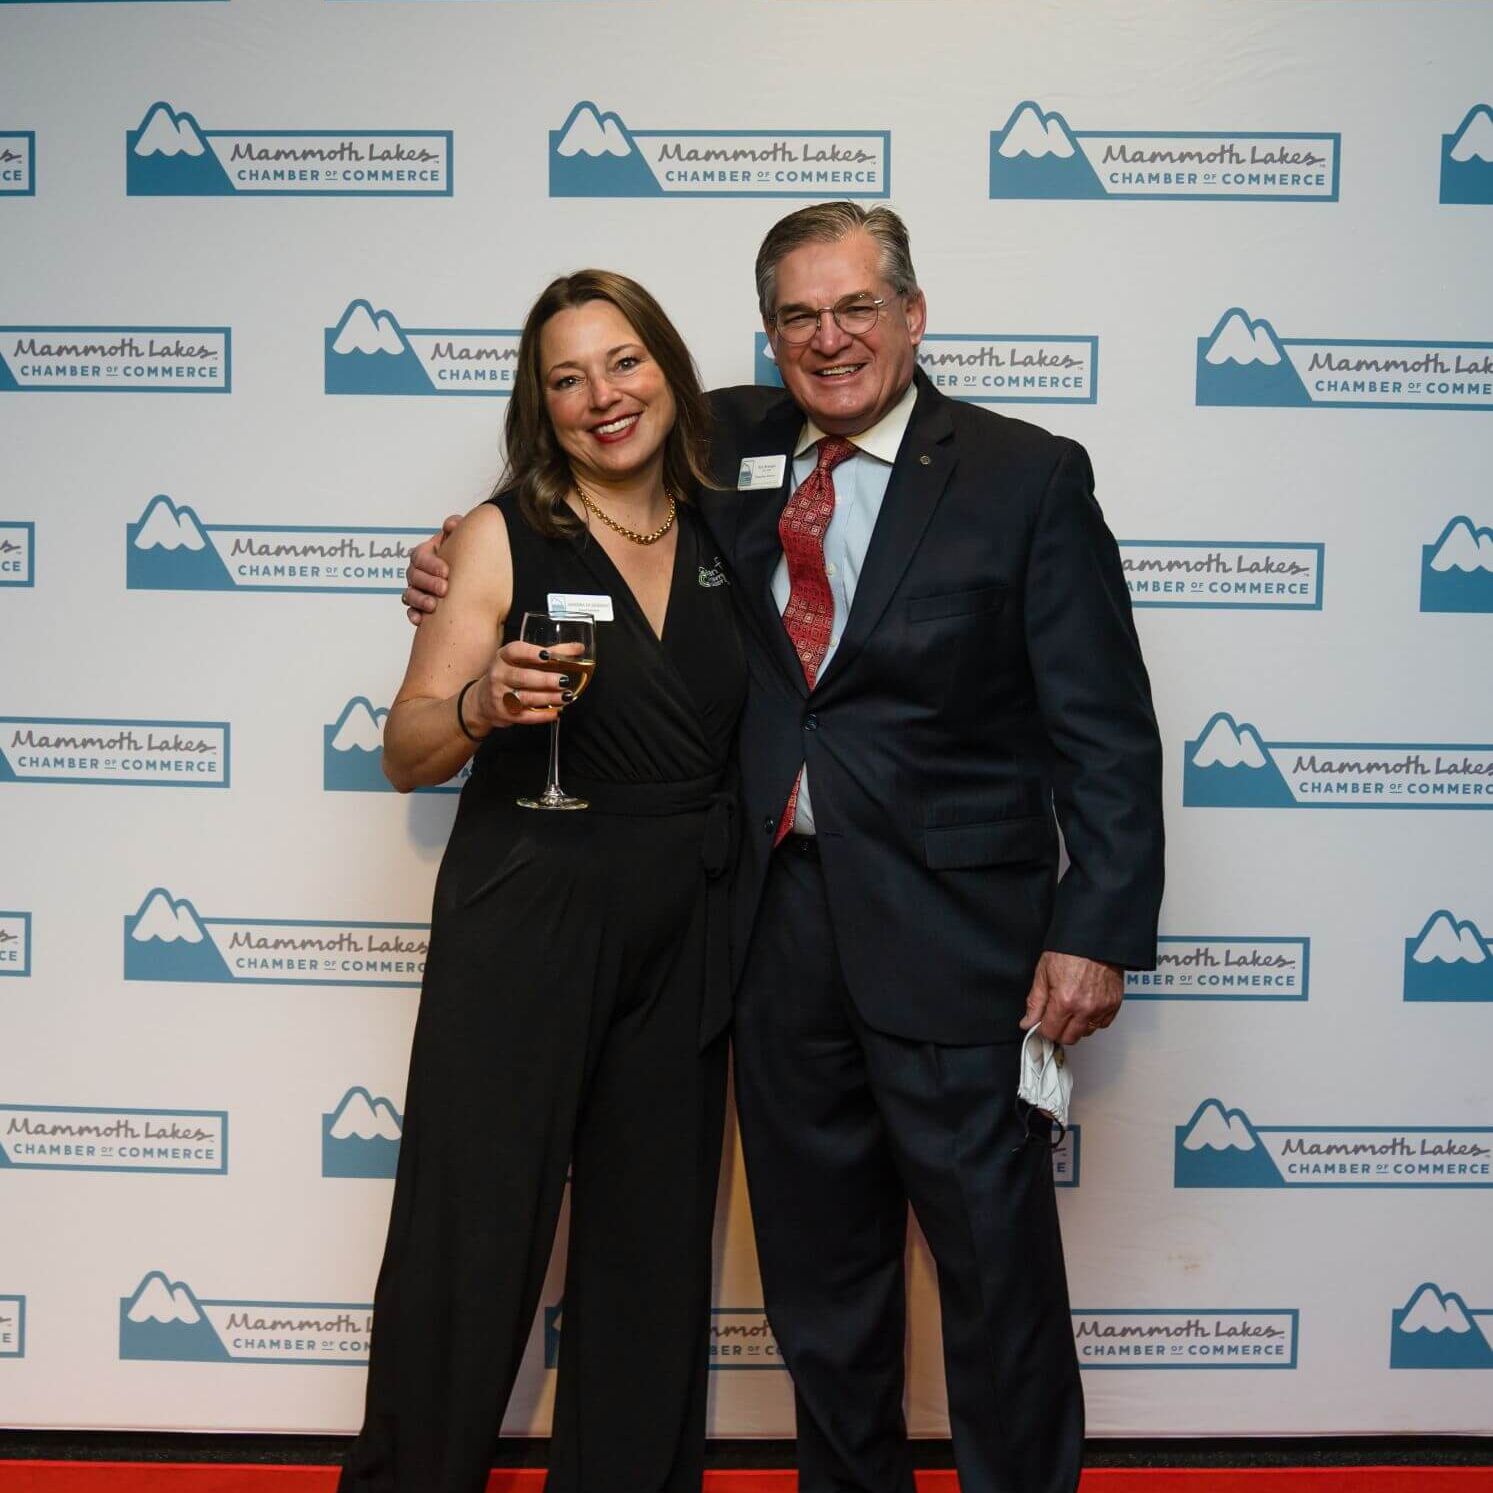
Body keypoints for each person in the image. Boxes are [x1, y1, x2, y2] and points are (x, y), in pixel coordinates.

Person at [405, 204, 1165, 1493]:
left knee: (995, 1275)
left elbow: (1107, 731)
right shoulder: (729, 445)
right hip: (772, 933)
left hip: (958, 938)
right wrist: (458, 554)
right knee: (822, 1288)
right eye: (799, 317)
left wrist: (1093, 927)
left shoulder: (1024, 474)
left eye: (856, 306)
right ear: (766, 338)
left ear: (912, 316)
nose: (830, 339)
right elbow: (582, 465)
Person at [341, 270, 745, 1493]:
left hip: (691, 919)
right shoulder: (498, 532)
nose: (601, 397)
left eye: (623, 362)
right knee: (472, 1230)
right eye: (566, 378)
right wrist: (475, 702)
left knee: (653, 1248)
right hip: (529, 901)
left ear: (669, 369)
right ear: (540, 403)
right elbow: (405, 751)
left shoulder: (735, 518)